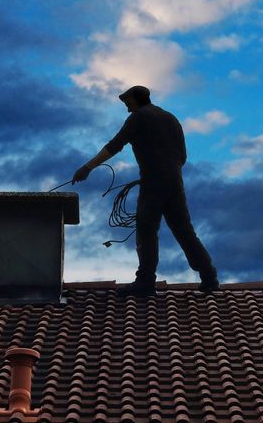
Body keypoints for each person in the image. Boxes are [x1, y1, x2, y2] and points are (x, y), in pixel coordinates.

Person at [74, 85, 219, 296]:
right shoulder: (171, 118)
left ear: (138, 99)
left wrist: (87, 167)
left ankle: (145, 282)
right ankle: (210, 277)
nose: (126, 107)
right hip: (174, 182)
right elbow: (182, 157)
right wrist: (166, 172)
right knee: (185, 231)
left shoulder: (138, 118)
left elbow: (114, 145)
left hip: (154, 182)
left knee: (146, 229)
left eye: (128, 102)